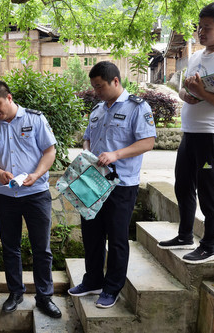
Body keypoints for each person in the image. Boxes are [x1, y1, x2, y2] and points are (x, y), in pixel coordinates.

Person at [157, 1, 214, 264]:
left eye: (207, 27)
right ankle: (185, 235)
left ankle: (209, 246)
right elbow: (183, 90)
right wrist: (188, 95)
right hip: (190, 132)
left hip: (212, 135)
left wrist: (202, 93)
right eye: (199, 27)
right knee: (183, 186)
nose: (200, 32)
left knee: (209, 191)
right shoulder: (196, 56)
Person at [67, 61, 156, 309]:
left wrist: (115, 155)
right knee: (91, 234)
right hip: (92, 181)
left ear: (115, 81)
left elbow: (148, 142)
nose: (96, 91)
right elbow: (87, 139)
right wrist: (86, 152)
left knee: (117, 238)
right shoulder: (98, 109)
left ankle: (112, 287)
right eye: (94, 87)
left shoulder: (137, 107)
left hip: (121, 184)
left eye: (100, 86)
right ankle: (93, 280)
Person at [0, 80, 62, 318]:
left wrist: (36, 175)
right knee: (11, 247)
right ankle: (15, 293)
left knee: (41, 248)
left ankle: (44, 297)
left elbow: (50, 151)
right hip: (6, 195)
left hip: (36, 194)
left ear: (9, 97)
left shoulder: (35, 119)